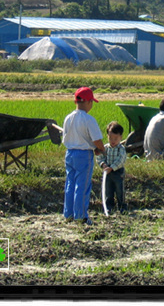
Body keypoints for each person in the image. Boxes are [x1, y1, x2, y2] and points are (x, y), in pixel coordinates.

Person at [62, 86, 105, 225]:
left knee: (70, 183)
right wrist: (101, 149)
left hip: (70, 153)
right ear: (87, 102)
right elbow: (96, 140)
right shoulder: (88, 119)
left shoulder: (68, 117)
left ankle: (68, 214)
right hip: (84, 155)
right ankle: (81, 216)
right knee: (82, 185)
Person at [97, 121, 127, 214]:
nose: (113, 141)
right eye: (110, 138)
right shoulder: (105, 148)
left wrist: (111, 168)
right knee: (108, 190)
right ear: (107, 136)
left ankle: (122, 206)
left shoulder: (121, 149)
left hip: (117, 172)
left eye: (115, 138)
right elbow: (99, 157)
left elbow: (120, 161)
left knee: (119, 190)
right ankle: (109, 206)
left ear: (120, 137)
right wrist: (103, 165)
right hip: (108, 173)